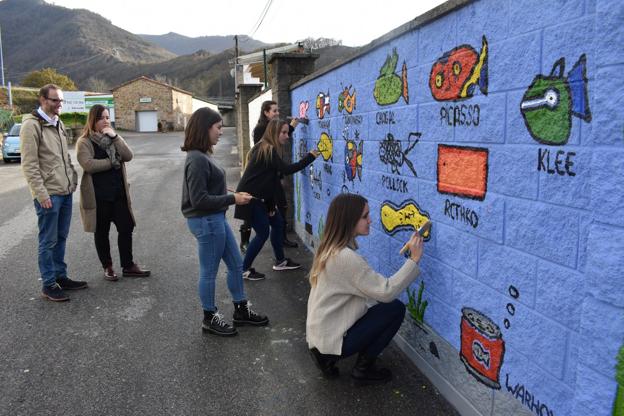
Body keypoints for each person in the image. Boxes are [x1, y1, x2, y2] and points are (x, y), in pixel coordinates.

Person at [306, 194, 424, 384]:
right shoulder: (345, 258)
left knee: (378, 307)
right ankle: (362, 370)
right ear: (349, 220)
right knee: (394, 309)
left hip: (319, 337)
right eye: (364, 216)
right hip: (329, 341)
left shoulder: (329, 248)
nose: (370, 220)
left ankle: (326, 358)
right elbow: (386, 292)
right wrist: (414, 259)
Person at [182, 107, 269, 336]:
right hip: (206, 222)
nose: (221, 132)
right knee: (209, 272)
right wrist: (233, 198)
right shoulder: (197, 159)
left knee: (236, 265)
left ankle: (241, 310)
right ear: (205, 128)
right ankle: (209, 317)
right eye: (218, 128)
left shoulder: (202, 155)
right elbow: (198, 199)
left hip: (215, 219)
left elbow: (205, 189)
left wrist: (225, 190)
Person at [20, 84, 86, 301]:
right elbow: (29, 165)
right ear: (42, 100)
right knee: (47, 240)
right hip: (49, 194)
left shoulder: (58, 123)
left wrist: (73, 178)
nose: (59, 104)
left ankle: (60, 276)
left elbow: (64, 156)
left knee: (61, 237)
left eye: (61, 101)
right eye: (55, 100)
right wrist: (41, 194)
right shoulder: (31, 126)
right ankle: (48, 284)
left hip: (64, 191)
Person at [235, 119, 319, 281]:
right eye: (284, 133)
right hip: (250, 199)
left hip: (262, 198)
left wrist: (270, 202)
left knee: (278, 223)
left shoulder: (266, 147)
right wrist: (310, 157)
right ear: (274, 133)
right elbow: (286, 170)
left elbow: (268, 179)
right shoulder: (268, 149)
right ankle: (244, 269)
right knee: (262, 233)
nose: (287, 136)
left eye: (288, 132)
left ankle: (280, 261)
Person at [76, 105, 150, 281]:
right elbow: (88, 165)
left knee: (126, 227)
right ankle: (107, 267)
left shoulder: (113, 138)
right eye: (102, 118)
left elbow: (128, 155)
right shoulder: (85, 141)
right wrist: (112, 162)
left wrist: (116, 137)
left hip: (118, 193)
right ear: (93, 120)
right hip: (98, 196)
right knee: (101, 232)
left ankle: (128, 265)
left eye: (108, 117)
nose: (106, 121)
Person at [239, 100, 300, 253]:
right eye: (274, 111)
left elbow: (280, 135)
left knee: (279, 209)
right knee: (253, 213)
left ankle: (281, 242)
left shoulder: (274, 128)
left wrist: (291, 127)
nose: (277, 113)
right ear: (266, 112)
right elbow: (274, 139)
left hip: (271, 176)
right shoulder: (262, 130)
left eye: (278, 110)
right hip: (261, 180)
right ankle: (245, 243)